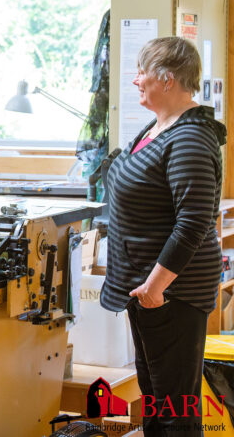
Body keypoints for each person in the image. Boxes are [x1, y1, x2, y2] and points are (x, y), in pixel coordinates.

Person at [100, 37, 226, 436]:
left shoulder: (190, 137)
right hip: (148, 291)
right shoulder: (159, 128)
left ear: (167, 80)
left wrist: (155, 289)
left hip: (171, 293)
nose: (136, 80)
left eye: (143, 72)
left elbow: (193, 222)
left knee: (175, 409)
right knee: (158, 400)